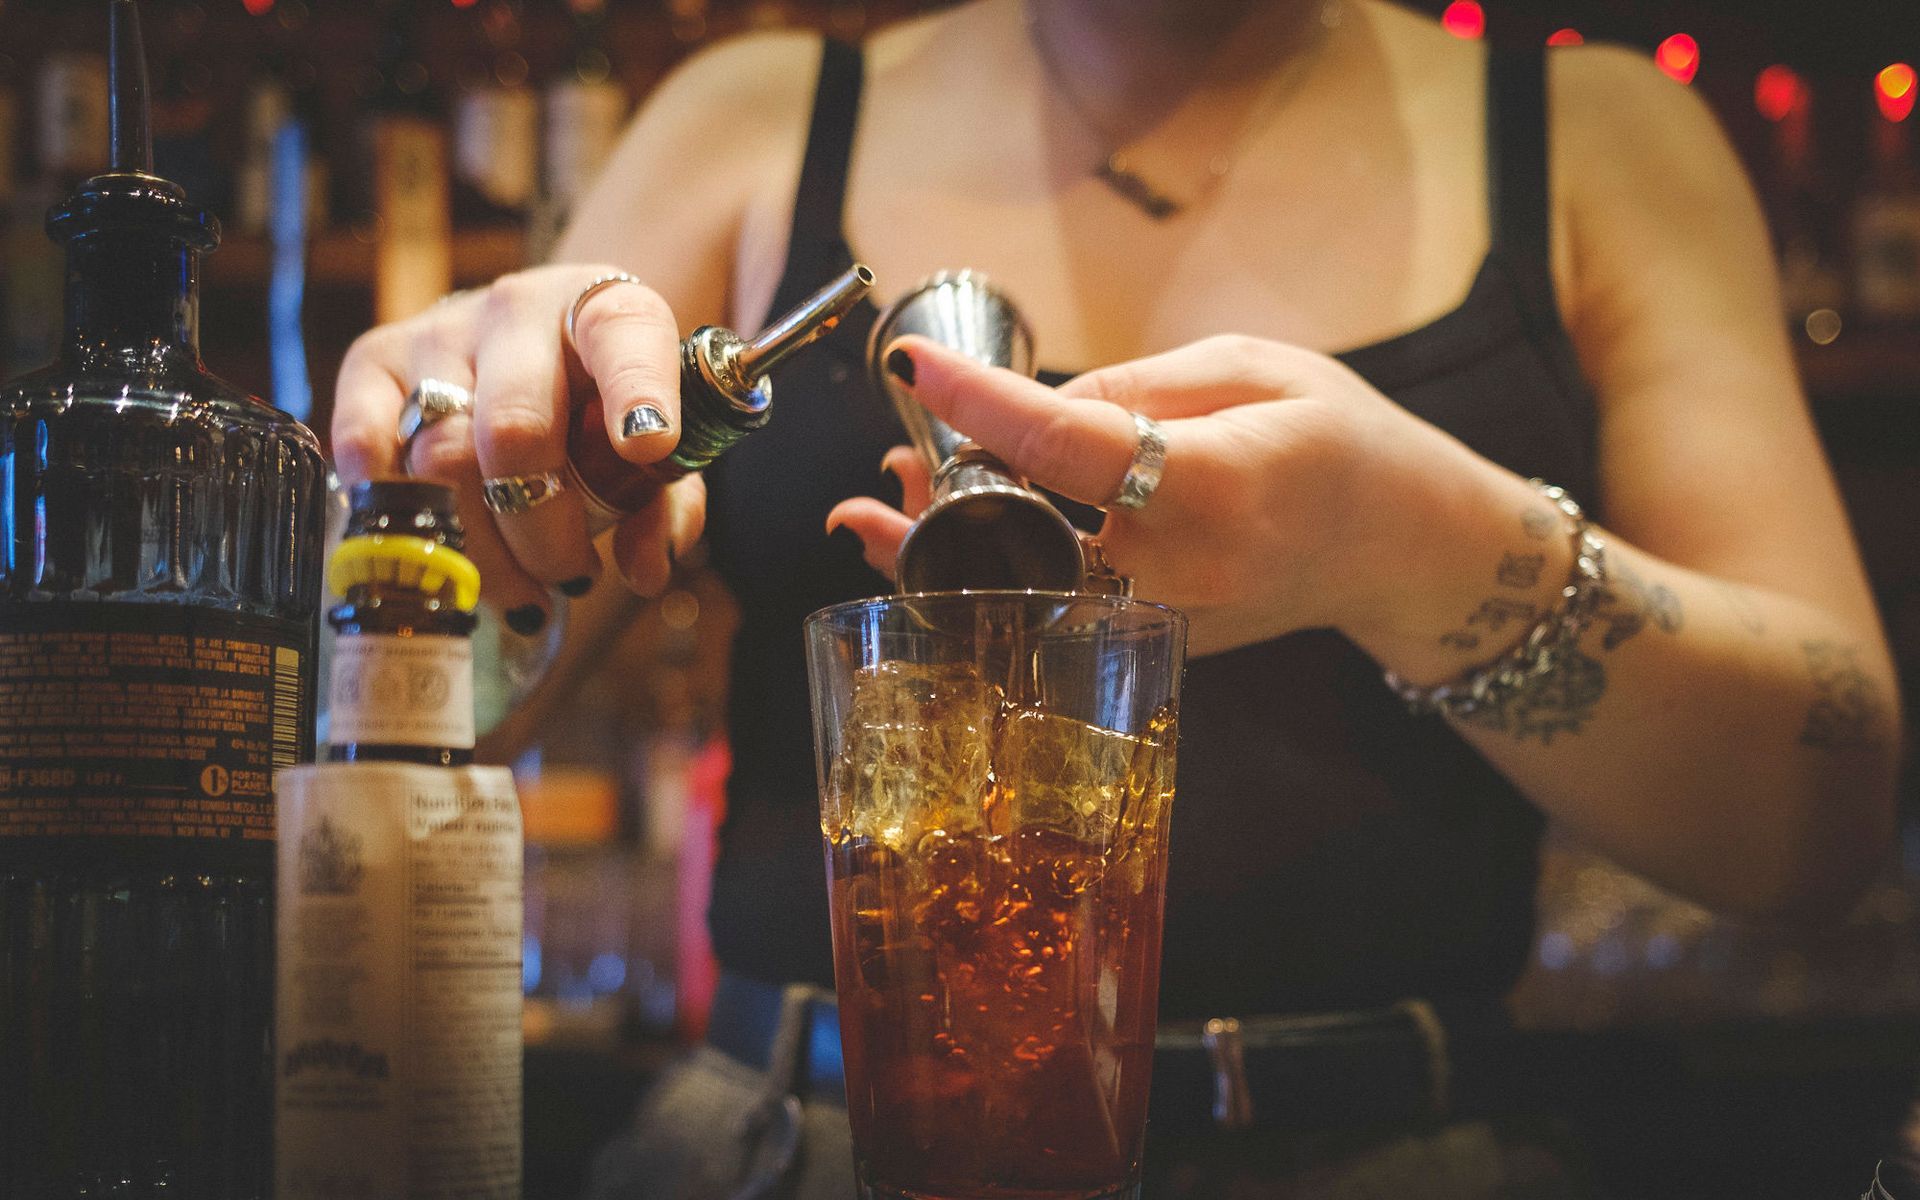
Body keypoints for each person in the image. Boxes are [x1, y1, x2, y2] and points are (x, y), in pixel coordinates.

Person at [330, 0, 1904, 1193]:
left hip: (1408, 1156)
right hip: (796, 1153)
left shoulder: (1593, 137)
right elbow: (416, 737)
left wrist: (1409, 549)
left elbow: (1817, 819)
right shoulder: (752, 120)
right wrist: (441, 497)